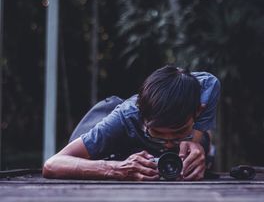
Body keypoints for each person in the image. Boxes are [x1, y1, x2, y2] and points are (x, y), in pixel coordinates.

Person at [43, 65, 221, 181]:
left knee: (203, 143)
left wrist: (194, 142)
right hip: (112, 140)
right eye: (158, 134)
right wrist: (116, 169)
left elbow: (212, 83)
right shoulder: (123, 119)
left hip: (146, 146)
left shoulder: (207, 87)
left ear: (198, 110)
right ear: (143, 118)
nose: (168, 144)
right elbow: (53, 164)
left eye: (178, 133)